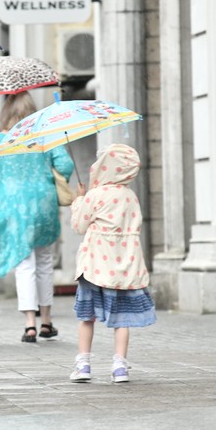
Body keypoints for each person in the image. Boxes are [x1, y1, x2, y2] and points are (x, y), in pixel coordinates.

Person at [0, 92, 74, 343]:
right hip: (42, 203)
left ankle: (29, 324)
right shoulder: (46, 135)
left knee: (25, 264)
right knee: (44, 262)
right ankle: (46, 321)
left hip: (12, 205)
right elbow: (65, 165)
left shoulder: (1, 140)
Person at [69, 143, 156, 383]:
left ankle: (84, 364)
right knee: (123, 319)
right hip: (124, 266)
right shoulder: (130, 196)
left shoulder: (95, 196)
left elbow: (79, 226)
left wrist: (79, 201)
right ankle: (119, 367)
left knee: (87, 316)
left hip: (95, 264)